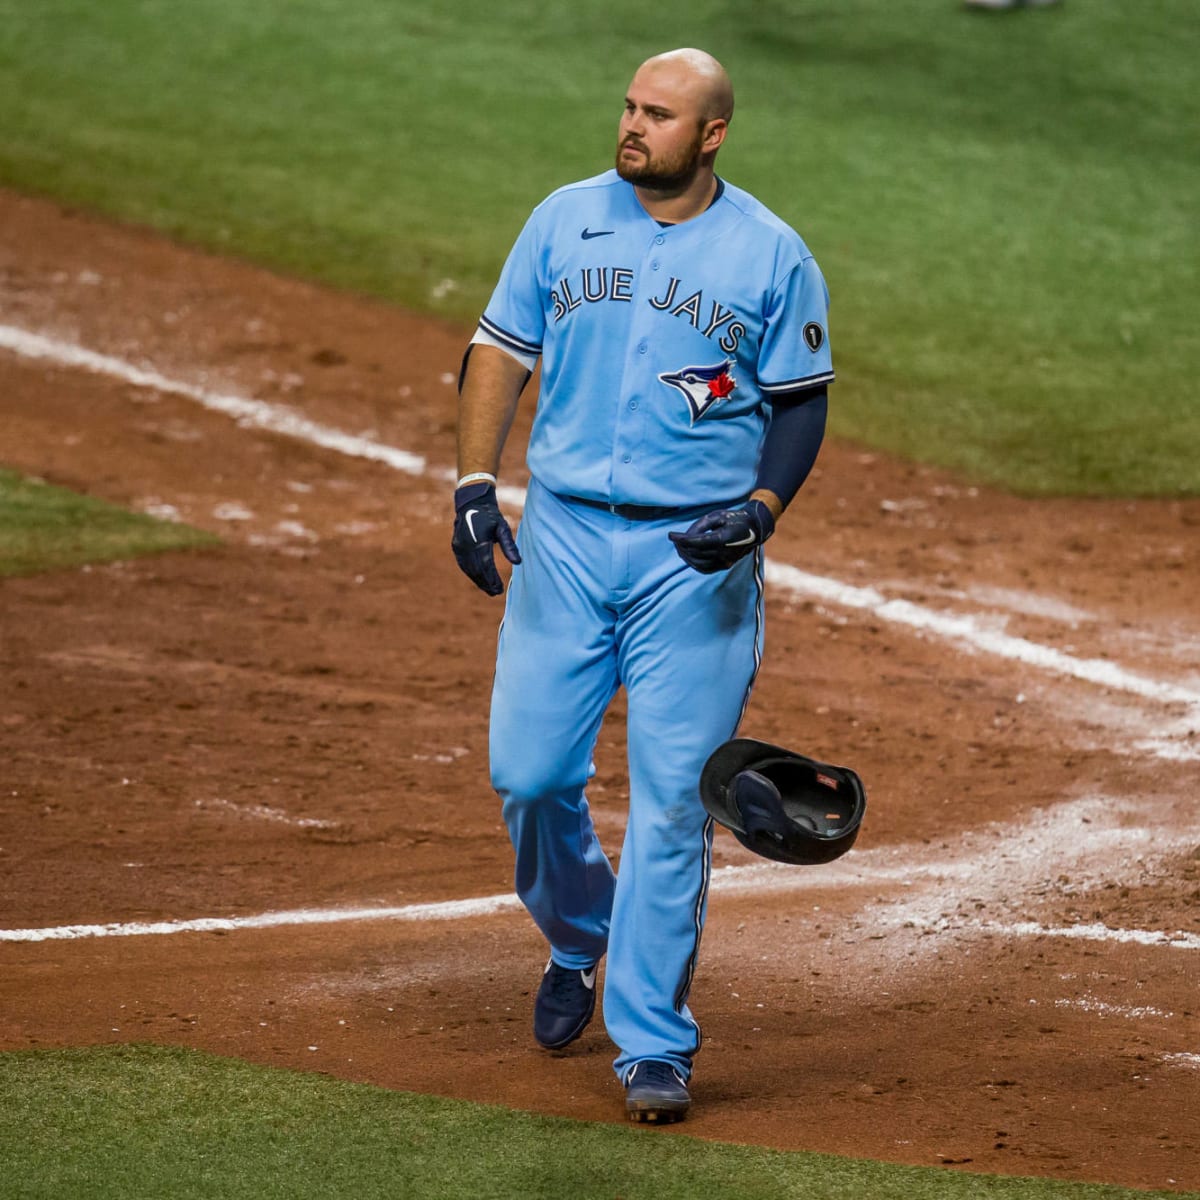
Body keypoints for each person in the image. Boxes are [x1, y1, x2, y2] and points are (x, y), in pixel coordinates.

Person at [451, 47, 833, 1123]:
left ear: (710, 134)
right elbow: (497, 349)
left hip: (693, 566)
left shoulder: (770, 254)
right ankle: (582, 935)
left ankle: (653, 1045)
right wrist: (475, 483)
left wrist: (759, 513)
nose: (633, 127)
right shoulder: (565, 218)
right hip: (564, 542)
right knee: (527, 775)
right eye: (628, 106)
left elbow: (800, 400)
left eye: (658, 114)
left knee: (672, 804)